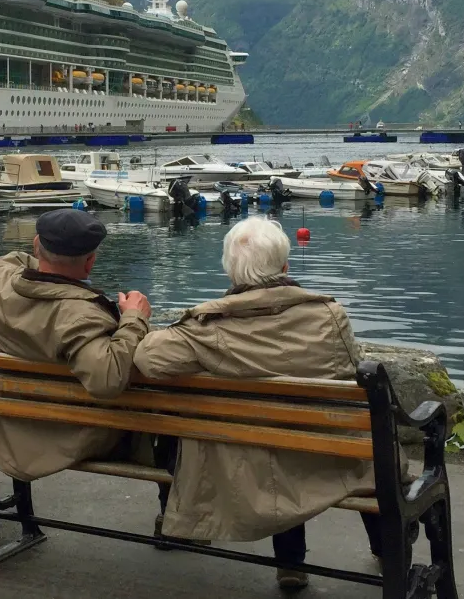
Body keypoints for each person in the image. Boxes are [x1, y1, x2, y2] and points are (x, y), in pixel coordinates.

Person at [134, 217, 380, 592]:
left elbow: (149, 361)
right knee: (321, 444)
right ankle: (379, 549)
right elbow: (349, 369)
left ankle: (178, 520)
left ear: (230, 269)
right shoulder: (331, 316)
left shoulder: (206, 327)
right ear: (285, 266)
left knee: (215, 431)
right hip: (325, 455)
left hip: (237, 463)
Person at [0, 209, 153, 481]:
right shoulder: (81, 316)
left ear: (36, 245)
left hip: (5, 421)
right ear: (90, 262)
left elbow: (18, 260)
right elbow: (106, 380)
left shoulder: (0, 278)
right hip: (61, 436)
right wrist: (134, 318)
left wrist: (48, 261)